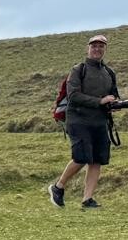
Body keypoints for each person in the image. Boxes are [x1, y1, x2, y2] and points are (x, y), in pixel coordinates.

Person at [50, 34, 120, 210]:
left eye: (101, 46)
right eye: (94, 46)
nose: (97, 49)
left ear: (105, 49)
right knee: (81, 157)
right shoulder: (78, 70)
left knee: (97, 160)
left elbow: (113, 94)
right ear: (88, 49)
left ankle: (87, 199)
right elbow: (73, 96)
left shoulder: (109, 72)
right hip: (78, 120)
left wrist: (114, 104)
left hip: (100, 121)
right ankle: (58, 187)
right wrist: (100, 101)